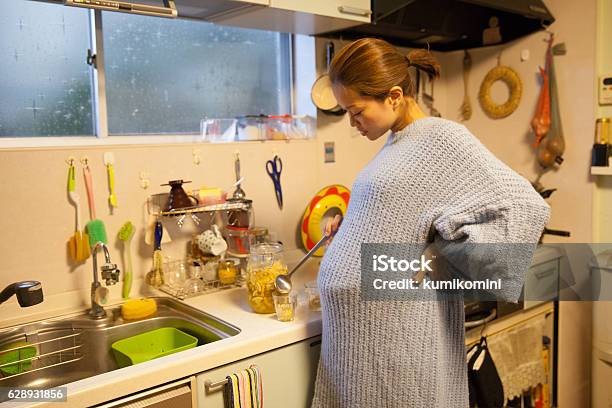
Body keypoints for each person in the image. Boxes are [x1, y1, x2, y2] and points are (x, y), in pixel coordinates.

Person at [312, 38, 550, 407]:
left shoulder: (443, 140)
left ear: (393, 96)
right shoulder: (397, 142)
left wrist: (444, 256)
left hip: (397, 346)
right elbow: (408, 213)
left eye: (356, 111)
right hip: (362, 345)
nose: (352, 122)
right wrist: (355, 225)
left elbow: (524, 207)